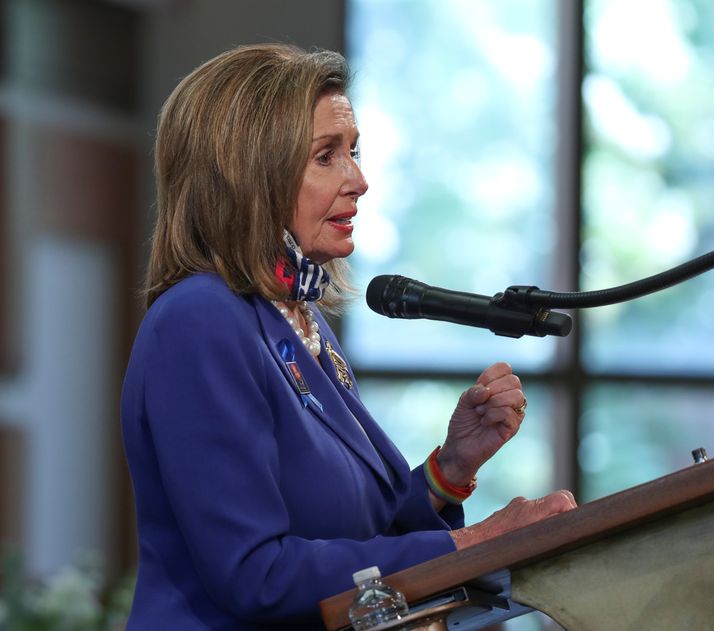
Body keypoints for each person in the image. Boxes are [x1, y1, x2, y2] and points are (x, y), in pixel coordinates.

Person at [120, 43, 576, 630]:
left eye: (354, 152)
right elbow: (255, 575)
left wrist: (450, 469)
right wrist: (478, 543)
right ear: (248, 174)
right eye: (326, 156)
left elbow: (352, 535)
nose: (358, 180)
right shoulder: (200, 320)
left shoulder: (297, 320)